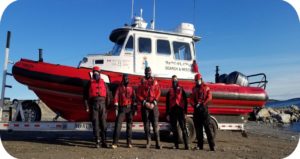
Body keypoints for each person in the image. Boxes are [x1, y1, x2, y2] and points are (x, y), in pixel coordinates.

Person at [84, 66, 109, 148]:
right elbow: (85, 96)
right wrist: (87, 106)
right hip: (94, 105)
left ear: (99, 73)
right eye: (94, 72)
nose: (96, 73)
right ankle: (97, 141)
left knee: (103, 124)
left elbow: (108, 94)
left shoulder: (103, 83)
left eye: (97, 72)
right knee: (95, 123)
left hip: (102, 105)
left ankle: (104, 141)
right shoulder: (89, 83)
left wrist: (107, 106)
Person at [137, 67, 162, 149]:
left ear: (151, 72)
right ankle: (148, 142)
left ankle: (158, 143)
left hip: (153, 105)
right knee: (146, 125)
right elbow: (138, 93)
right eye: (147, 72)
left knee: (155, 124)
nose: (148, 73)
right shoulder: (142, 82)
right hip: (145, 105)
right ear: (145, 73)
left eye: (149, 72)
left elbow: (158, 92)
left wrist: (154, 102)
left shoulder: (155, 81)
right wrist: (144, 102)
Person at [190, 73, 215, 151]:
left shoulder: (206, 87)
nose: (197, 81)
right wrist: (194, 105)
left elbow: (209, 96)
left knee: (207, 128)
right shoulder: (194, 89)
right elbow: (191, 98)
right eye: (196, 80)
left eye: (198, 80)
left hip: (204, 110)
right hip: (197, 110)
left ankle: (212, 146)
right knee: (198, 129)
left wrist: (203, 103)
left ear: (201, 80)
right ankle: (200, 146)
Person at [112, 74, 137, 149]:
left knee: (129, 126)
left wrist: (135, 109)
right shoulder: (119, 87)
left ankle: (129, 143)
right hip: (122, 108)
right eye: (125, 78)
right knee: (118, 125)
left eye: (127, 78)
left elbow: (134, 99)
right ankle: (115, 143)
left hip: (129, 109)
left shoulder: (131, 88)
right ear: (122, 79)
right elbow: (116, 97)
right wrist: (116, 107)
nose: (126, 79)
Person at [166, 75, 189, 150]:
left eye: (175, 80)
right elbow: (167, 103)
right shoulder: (170, 91)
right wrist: (168, 114)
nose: (174, 81)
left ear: (177, 80)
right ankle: (176, 145)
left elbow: (185, 101)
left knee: (183, 128)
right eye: (173, 80)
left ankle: (186, 145)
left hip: (180, 110)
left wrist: (185, 112)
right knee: (174, 129)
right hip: (173, 111)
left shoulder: (181, 90)